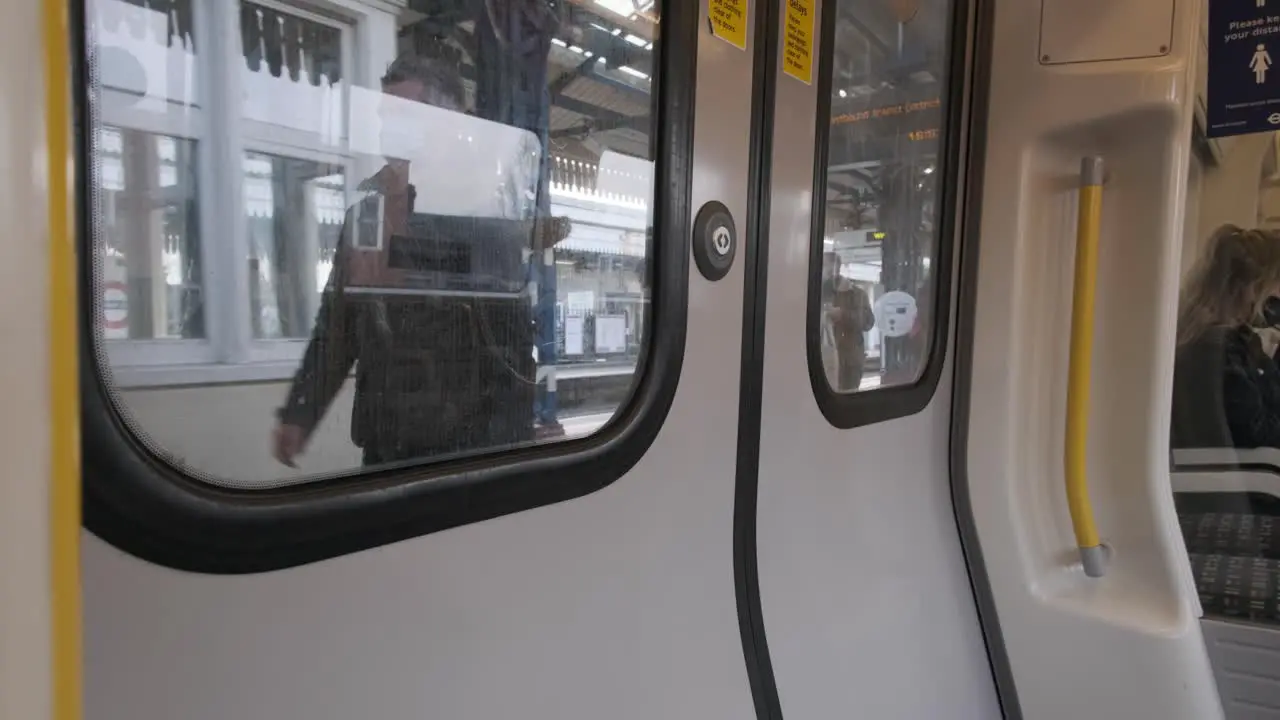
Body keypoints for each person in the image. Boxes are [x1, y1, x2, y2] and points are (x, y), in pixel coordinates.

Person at [270, 52, 567, 468]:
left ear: (449, 126)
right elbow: (338, 325)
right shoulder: (370, 217)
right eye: (384, 118)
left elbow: (512, 342)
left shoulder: (489, 212)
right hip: (388, 442)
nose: (389, 132)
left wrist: (511, 447)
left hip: (472, 446)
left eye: (405, 116)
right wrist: (301, 412)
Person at [1172, 224, 1280, 449]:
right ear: (1251, 288)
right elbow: (1259, 434)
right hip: (1248, 479)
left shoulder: (1222, 339)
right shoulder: (1219, 348)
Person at [821, 251, 876, 391]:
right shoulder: (811, 292)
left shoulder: (856, 294)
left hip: (849, 362)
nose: (825, 270)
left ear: (837, 267)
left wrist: (842, 315)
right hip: (820, 359)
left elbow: (868, 321)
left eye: (828, 266)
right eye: (823, 266)